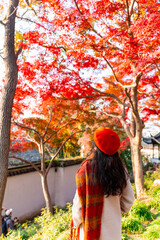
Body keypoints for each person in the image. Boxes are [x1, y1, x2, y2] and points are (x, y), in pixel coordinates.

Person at [72, 127, 135, 240]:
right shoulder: (120, 170)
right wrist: (113, 210)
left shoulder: (86, 170)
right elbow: (129, 200)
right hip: (113, 232)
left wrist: (76, 223)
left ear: (95, 147)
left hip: (89, 231)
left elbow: (78, 207)